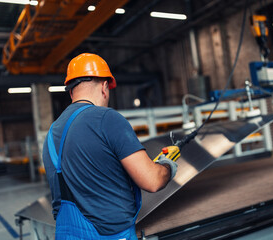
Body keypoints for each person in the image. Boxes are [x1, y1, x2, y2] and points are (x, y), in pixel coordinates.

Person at [42, 53, 179, 240]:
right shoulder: (106, 119)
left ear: (71, 91)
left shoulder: (52, 134)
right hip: (111, 235)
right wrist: (167, 165)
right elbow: (152, 181)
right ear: (105, 87)